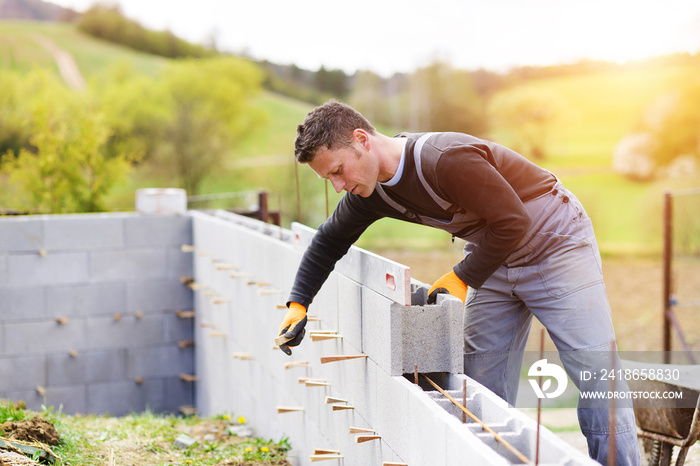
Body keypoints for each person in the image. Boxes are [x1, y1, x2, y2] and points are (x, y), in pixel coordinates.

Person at [276, 99, 640, 465]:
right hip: (494, 253)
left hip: (554, 241)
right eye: (329, 179)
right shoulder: (369, 192)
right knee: (478, 387)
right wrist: (298, 303)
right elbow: (328, 242)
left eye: (338, 170)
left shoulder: (444, 159)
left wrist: (463, 277)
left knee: (596, 375)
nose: (338, 186)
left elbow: (514, 220)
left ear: (361, 140)